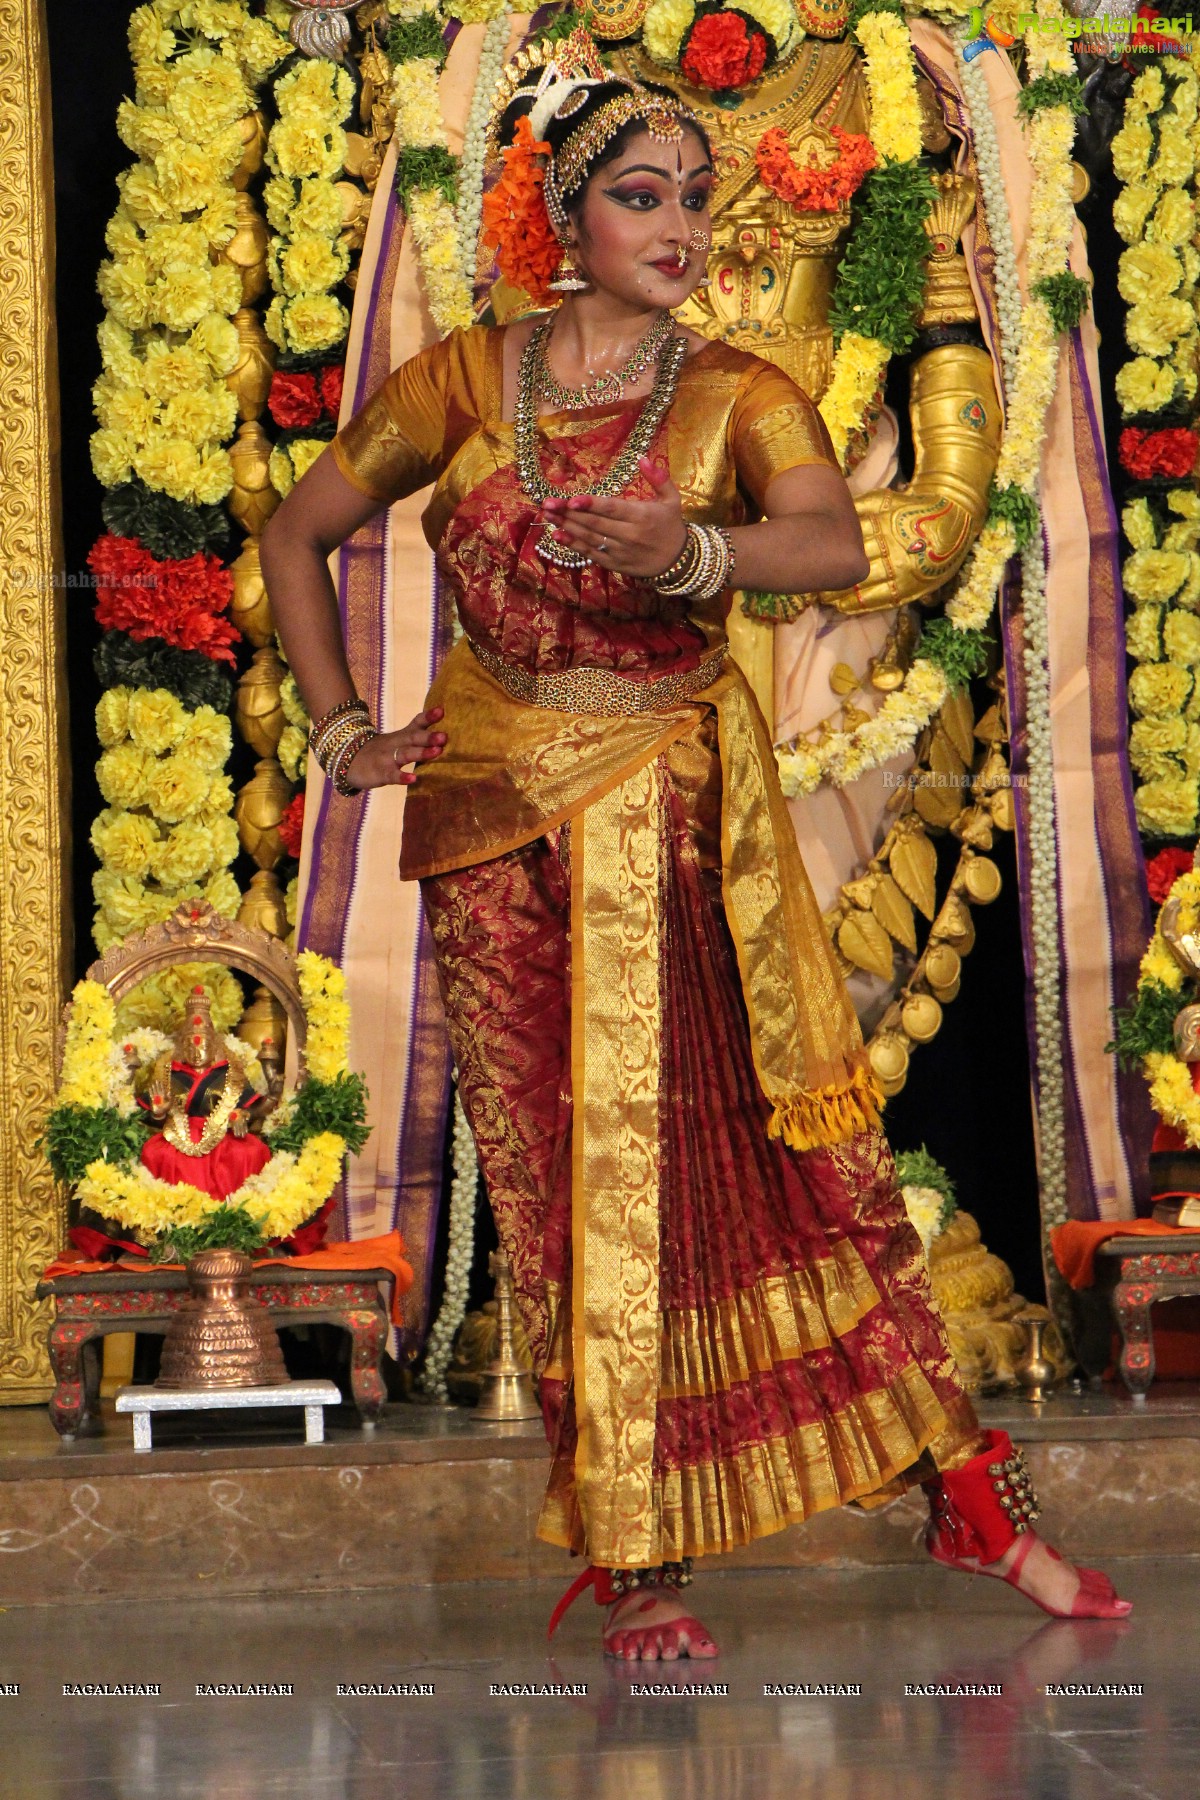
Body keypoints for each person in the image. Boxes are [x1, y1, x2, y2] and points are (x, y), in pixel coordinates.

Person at [260, 31, 1130, 1658]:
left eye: (696, 199)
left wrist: (699, 548)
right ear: (561, 219)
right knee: (555, 1185)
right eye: (641, 197)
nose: (681, 228)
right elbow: (297, 532)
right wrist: (340, 737)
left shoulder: (738, 391)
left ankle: (964, 1490)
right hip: (486, 826)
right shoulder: (462, 380)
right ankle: (636, 1556)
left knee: (777, 1166)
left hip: (669, 814)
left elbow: (826, 537)